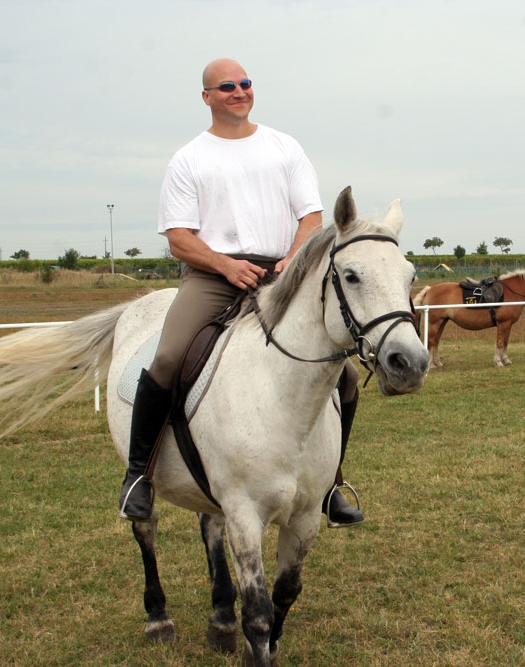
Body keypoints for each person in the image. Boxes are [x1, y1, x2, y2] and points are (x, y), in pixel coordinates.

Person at [118, 58, 364, 528]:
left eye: (245, 83)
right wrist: (226, 265)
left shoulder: (283, 146)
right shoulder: (189, 158)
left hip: (280, 275)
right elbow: (178, 237)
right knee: (169, 358)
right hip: (213, 275)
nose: (239, 91)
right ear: (207, 97)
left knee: (347, 375)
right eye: (227, 86)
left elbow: (310, 217)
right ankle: (139, 476)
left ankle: (332, 483)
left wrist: (294, 258)